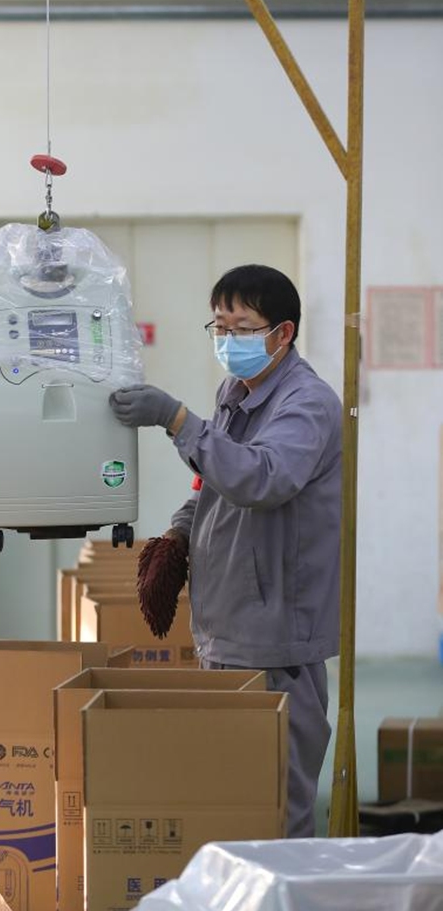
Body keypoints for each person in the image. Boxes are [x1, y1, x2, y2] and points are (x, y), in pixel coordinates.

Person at [109, 264, 341, 838]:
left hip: (274, 637)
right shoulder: (235, 394)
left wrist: (176, 419)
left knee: (276, 805)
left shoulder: (307, 404)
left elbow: (262, 478)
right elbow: (213, 482)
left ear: (282, 333)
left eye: (242, 328)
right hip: (226, 626)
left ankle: (285, 896)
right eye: (219, 326)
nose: (227, 339)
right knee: (233, 799)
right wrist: (179, 532)